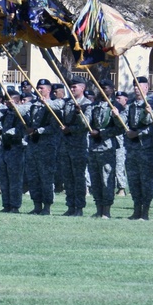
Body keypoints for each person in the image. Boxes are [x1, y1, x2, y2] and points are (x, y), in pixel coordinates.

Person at [24, 78, 63, 215]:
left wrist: (37, 131)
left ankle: (47, 206)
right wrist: (13, 105)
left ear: (49, 89)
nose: (39, 90)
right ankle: (36, 205)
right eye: (38, 88)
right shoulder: (34, 105)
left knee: (46, 177)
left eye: (41, 88)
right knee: (33, 177)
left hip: (47, 147)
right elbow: (23, 110)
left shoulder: (54, 105)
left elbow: (54, 127)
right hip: (33, 145)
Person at [86, 81, 124, 218]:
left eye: (105, 88)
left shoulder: (116, 106)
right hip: (93, 147)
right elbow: (87, 123)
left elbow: (121, 128)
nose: (102, 90)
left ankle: (106, 210)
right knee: (95, 179)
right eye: (100, 88)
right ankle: (98, 208)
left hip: (107, 148)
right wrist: (80, 113)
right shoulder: (94, 105)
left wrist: (102, 132)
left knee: (107, 179)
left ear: (112, 90)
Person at [124, 76, 153, 220]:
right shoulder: (130, 105)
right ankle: (136, 209)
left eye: (139, 86)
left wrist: (137, 133)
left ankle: (146, 211)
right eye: (135, 86)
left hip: (146, 149)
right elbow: (124, 122)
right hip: (132, 149)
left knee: (147, 181)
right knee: (133, 180)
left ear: (146, 88)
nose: (136, 89)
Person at [59, 76, 91, 216]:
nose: (72, 89)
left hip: (79, 146)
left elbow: (86, 125)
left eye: (74, 87)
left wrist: (79, 114)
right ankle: (70, 205)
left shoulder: (87, 104)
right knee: (68, 177)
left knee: (78, 177)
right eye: (70, 87)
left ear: (82, 88)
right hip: (66, 145)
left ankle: (79, 207)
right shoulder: (68, 103)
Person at [0, 91, 28, 213]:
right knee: (4, 179)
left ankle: (15, 205)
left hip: (16, 147)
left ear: (16, 100)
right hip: (5, 146)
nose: (7, 103)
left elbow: (22, 128)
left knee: (15, 179)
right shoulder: (6, 113)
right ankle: (6, 204)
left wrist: (9, 133)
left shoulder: (22, 113)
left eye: (10, 100)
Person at [113, 90, 129, 197]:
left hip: (124, 141)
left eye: (119, 99)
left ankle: (122, 188)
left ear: (125, 100)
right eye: (116, 98)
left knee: (120, 164)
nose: (117, 100)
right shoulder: (114, 109)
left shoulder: (127, 110)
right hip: (114, 140)